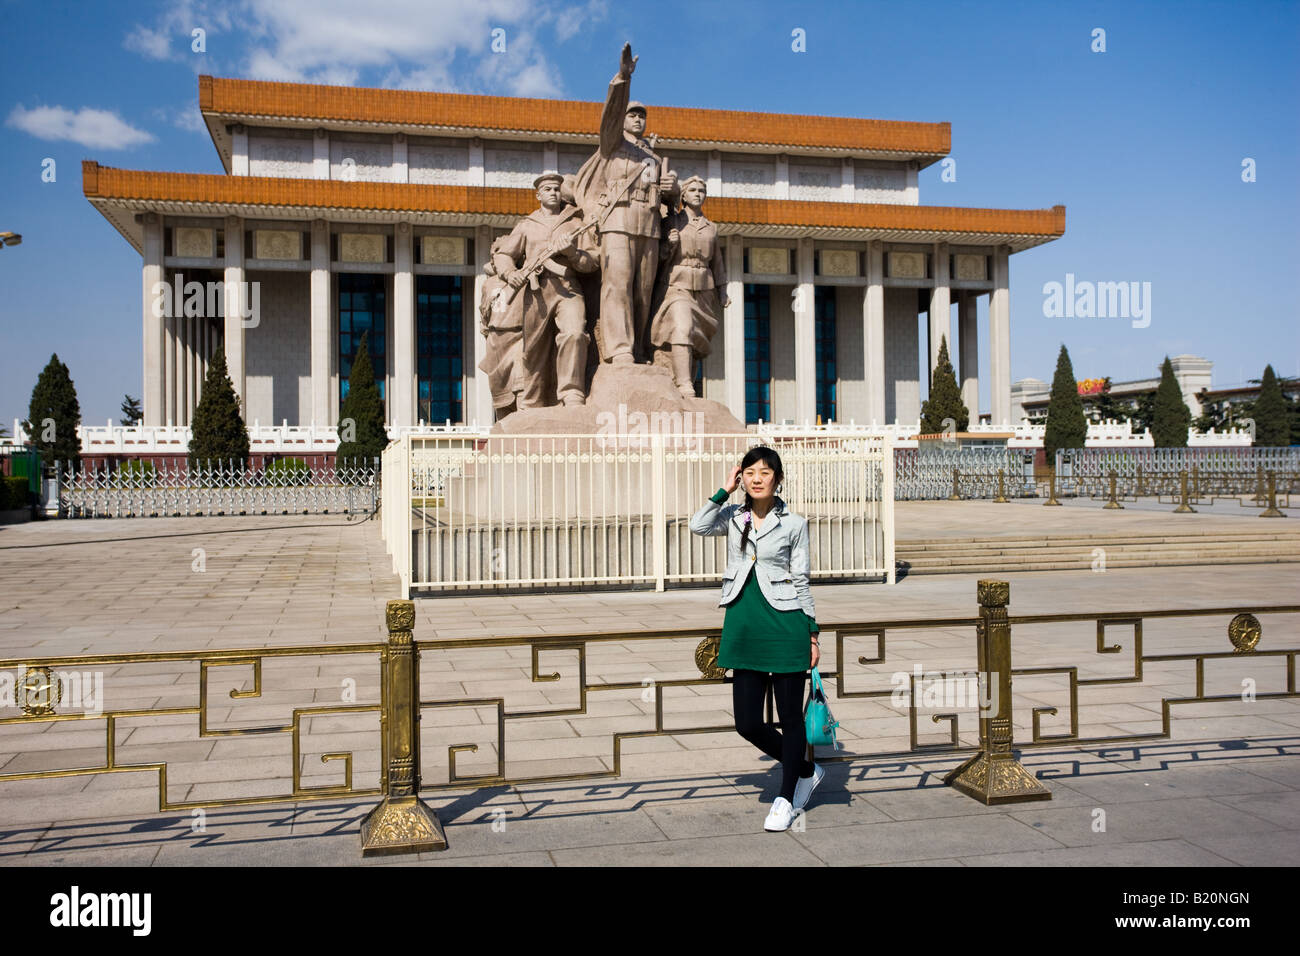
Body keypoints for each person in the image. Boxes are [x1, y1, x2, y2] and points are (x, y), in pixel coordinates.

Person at [688, 445, 825, 831]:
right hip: (744, 624)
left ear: (777, 479)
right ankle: (805, 770)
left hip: (786, 625)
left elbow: (802, 580)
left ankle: (785, 799)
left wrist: (812, 634)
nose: (757, 478)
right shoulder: (733, 517)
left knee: (790, 718)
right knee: (747, 723)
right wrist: (722, 491)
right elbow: (698, 525)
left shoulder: (795, 524)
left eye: (765, 472)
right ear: (742, 478)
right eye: (750, 472)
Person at [568, 42, 679, 365]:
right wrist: (623, 78)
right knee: (617, 285)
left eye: (642, 116)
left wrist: (672, 190)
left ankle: (640, 346)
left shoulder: (653, 157)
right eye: (632, 114)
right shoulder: (612, 144)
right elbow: (611, 115)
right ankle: (619, 349)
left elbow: (668, 197)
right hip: (617, 221)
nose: (637, 119)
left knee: (642, 291)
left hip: (648, 223)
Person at [490, 172, 597, 409]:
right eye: (547, 189)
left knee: (575, 334)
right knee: (535, 349)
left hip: (567, 288)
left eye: (556, 189)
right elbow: (505, 255)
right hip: (536, 291)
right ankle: (532, 402)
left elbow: (592, 262)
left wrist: (572, 253)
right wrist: (511, 273)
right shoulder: (527, 225)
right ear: (538, 195)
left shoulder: (576, 223)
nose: (553, 193)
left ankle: (572, 393)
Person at [648, 175, 728, 397]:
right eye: (692, 190)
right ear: (683, 195)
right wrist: (668, 245)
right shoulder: (671, 222)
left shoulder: (711, 228)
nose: (697, 194)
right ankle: (684, 384)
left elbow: (717, 262)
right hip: (677, 286)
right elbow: (656, 260)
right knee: (682, 329)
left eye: (701, 191)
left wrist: (722, 290)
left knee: (695, 339)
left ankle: (684, 379)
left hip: (703, 289)